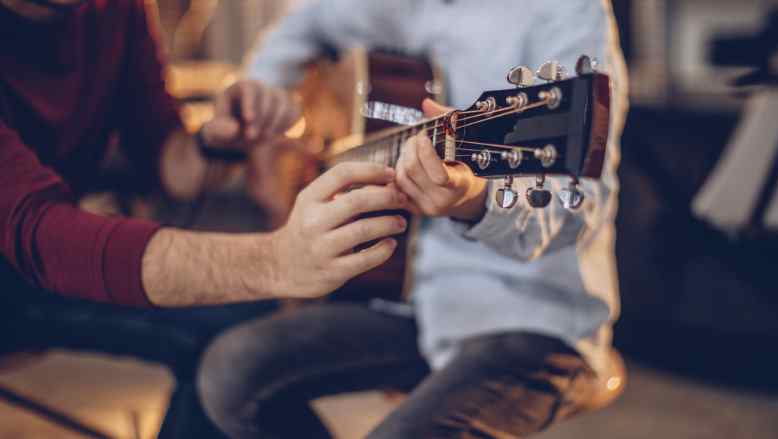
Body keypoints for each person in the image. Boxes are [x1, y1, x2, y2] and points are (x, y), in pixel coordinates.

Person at [197, 0, 629, 438]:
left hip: (528, 315)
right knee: (230, 371)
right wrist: (264, 86)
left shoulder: (565, 12)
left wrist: (475, 199)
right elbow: (307, 19)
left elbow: (575, 207)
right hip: (409, 296)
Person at [0, 0, 408, 437]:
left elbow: (167, 163)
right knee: (229, 335)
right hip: (17, 276)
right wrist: (275, 261)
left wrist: (221, 140)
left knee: (249, 338)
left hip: (42, 258)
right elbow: (41, 236)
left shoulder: (117, 10)